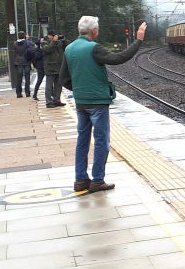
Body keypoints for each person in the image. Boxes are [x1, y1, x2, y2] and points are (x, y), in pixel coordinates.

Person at [60, 16, 147, 193]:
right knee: (101, 141)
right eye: (97, 28)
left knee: (82, 140)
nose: (98, 31)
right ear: (93, 31)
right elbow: (119, 58)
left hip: (81, 102)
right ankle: (98, 180)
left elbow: (63, 79)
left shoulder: (69, 49)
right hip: (98, 102)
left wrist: (78, 89)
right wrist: (138, 40)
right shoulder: (94, 48)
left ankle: (80, 180)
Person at [41, 30, 65, 108]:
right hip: (50, 67)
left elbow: (66, 45)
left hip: (59, 66)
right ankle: (49, 102)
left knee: (58, 85)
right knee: (49, 86)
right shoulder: (44, 41)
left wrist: (63, 39)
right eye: (53, 35)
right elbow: (47, 49)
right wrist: (54, 42)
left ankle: (57, 100)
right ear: (49, 36)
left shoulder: (58, 41)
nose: (54, 37)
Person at [10, 31, 33, 98]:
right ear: (24, 36)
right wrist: (27, 39)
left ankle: (18, 93)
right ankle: (27, 92)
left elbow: (14, 52)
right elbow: (32, 47)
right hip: (26, 62)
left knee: (19, 78)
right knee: (27, 78)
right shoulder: (27, 42)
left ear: (18, 36)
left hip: (18, 62)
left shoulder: (15, 43)